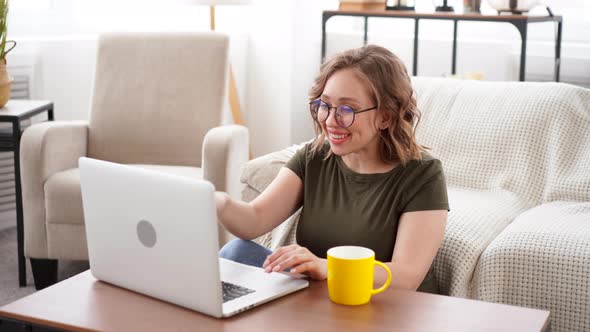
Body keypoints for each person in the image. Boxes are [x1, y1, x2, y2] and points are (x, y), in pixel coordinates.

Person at [216, 45, 449, 294]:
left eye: (347, 109)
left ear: (386, 117)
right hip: (321, 293)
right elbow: (254, 220)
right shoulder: (313, 157)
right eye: (324, 105)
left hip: (383, 305)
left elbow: (406, 275)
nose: (329, 120)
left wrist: (329, 267)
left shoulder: (423, 174)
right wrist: (217, 202)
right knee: (237, 251)